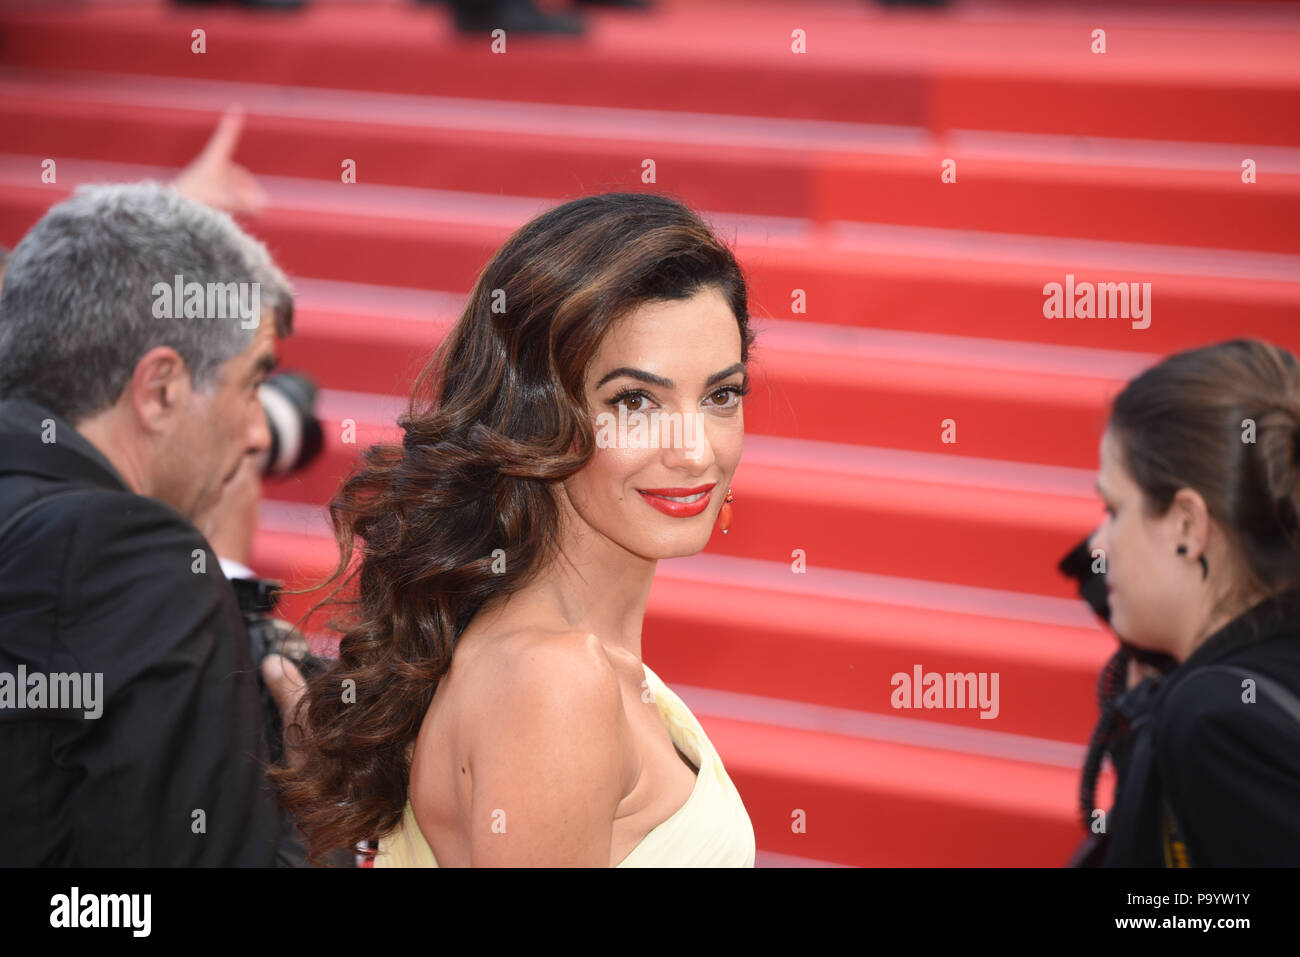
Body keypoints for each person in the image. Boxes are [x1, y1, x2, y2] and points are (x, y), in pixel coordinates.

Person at [273, 191, 756, 866]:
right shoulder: (557, 681)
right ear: (537, 417)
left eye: (720, 395)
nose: (695, 450)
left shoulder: (557, 651)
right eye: (636, 400)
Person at [0, 182, 306, 865]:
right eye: (253, 382)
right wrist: (317, 808)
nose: (260, 431)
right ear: (160, 388)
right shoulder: (132, 554)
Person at [1072, 338, 1300, 866]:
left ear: (1187, 526)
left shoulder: (1216, 722)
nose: (1096, 546)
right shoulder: (1239, 679)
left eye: (1114, 508)